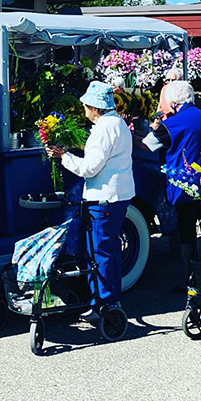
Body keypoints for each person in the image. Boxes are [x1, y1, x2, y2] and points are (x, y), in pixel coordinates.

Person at [45, 81, 134, 315]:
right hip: (118, 195)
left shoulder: (105, 127)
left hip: (104, 196)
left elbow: (90, 168)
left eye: (85, 105)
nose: (84, 109)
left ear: (95, 107)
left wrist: (63, 156)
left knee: (100, 251)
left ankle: (105, 303)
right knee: (109, 249)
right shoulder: (118, 123)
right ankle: (109, 300)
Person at [138, 80, 201, 283]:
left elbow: (147, 145)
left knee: (187, 234)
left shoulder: (175, 122)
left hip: (184, 184)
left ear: (173, 101)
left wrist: (125, 134)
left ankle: (191, 280)